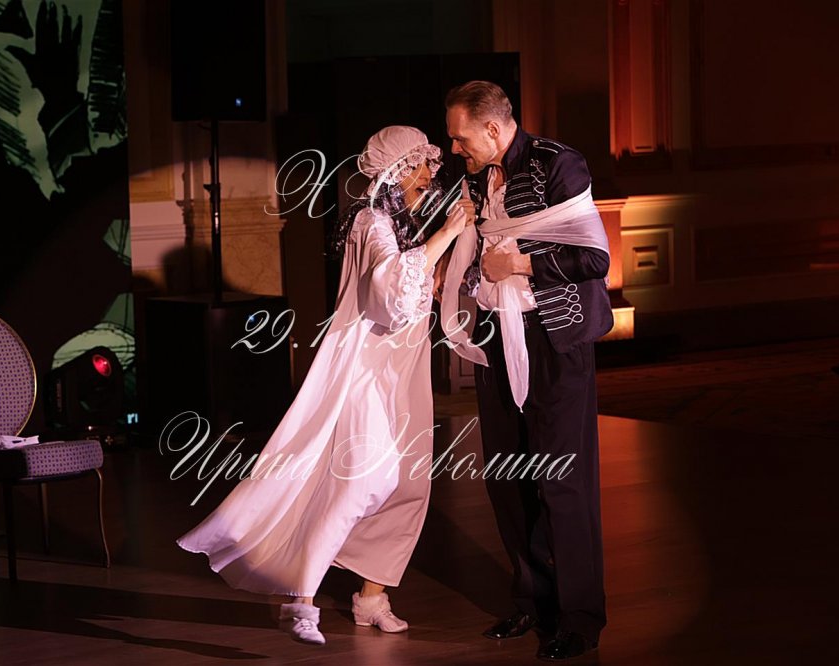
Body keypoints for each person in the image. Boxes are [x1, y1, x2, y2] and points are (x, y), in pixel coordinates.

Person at [177, 126, 475, 645]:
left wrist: (447, 256)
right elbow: (390, 289)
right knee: (364, 480)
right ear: (398, 171)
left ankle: (372, 597)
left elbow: (415, 290)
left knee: (408, 486)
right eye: (422, 164)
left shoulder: (403, 223)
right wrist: (447, 233)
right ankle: (300, 600)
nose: (431, 173)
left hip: (403, 372)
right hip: (365, 372)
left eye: (431, 163)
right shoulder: (371, 221)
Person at [435, 81, 612, 661]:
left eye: (461, 138)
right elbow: (480, 246)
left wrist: (522, 262)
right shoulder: (475, 175)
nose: (455, 149)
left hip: (554, 339)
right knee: (507, 477)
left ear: (492, 128)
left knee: (563, 481)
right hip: (497, 335)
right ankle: (534, 602)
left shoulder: (557, 163)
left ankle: (580, 617)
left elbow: (594, 257)